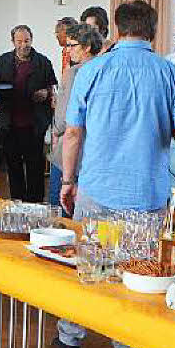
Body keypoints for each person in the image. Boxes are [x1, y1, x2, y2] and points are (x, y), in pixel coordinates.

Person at [56, 1, 175, 348]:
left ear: (117, 29)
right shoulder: (171, 74)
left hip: (96, 183)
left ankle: (71, 337)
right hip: (147, 188)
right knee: (138, 268)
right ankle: (126, 345)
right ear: (153, 30)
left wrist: (68, 180)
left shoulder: (91, 70)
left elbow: (73, 134)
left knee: (88, 264)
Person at [0, 26, 57, 203]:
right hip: (9, 123)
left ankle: (35, 204)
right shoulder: (3, 61)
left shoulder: (43, 62)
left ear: (32, 39)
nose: (24, 45)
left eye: (27, 41)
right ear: (13, 42)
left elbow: (54, 88)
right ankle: (17, 202)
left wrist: (46, 93)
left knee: (35, 166)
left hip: (34, 124)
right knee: (13, 166)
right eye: (19, 41)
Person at [48, 24, 103, 211]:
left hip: (70, 153)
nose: (68, 50)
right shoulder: (105, 69)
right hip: (94, 154)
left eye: (72, 45)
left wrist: (54, 130)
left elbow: (63, 119)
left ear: (87, 47)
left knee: (60, 215)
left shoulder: (75, 73)